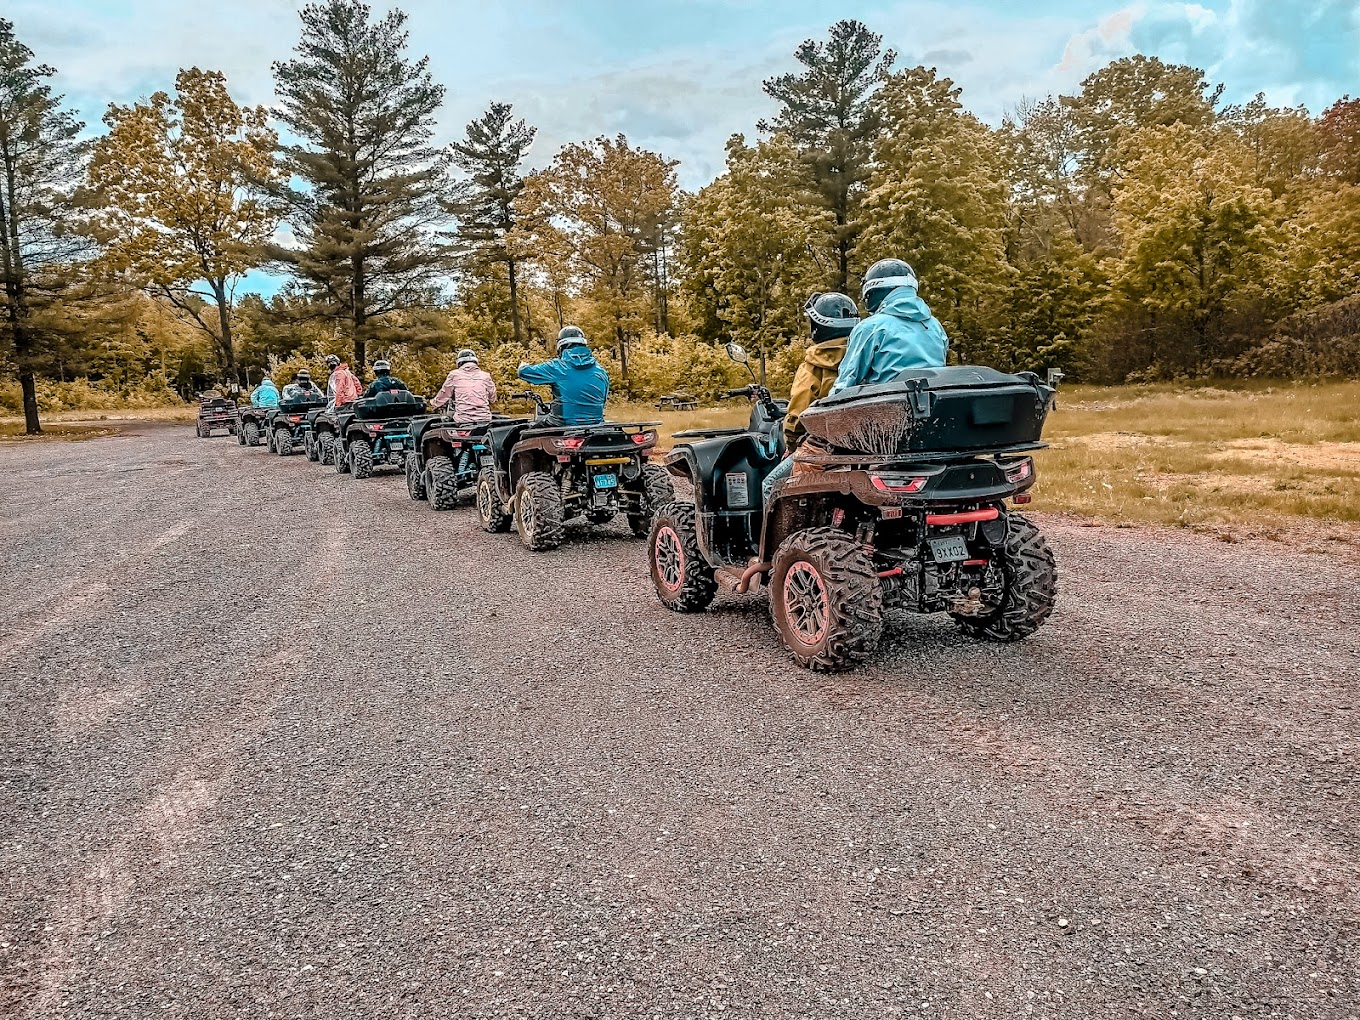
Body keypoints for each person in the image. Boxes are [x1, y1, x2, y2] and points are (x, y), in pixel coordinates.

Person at [761, 292, 860, 501]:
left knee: (770, 484)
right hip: (861, 447)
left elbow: (798, 414)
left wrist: (791, 446)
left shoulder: (813, 365)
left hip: (822, 447)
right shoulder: (862, 353)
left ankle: (772, 534)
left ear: (817, 327)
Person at [828, 258, 948, 396]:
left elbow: (846, 383)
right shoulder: (936, 326)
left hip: (884, 410)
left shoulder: (870, 328)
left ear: (873, 290)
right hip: (934, 410)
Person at [516, 326, 609, 427]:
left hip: (562, 424)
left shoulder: (557, 367)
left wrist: (523, 365)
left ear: (561, 347)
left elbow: (524, 372)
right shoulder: (601, 371)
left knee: (524, 434)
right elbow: (603, 401)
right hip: (596, 425)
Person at [432, 349, 497, 424]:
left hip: (463, 420)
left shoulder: (454, 375)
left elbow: (444, 394)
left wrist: (433, 404)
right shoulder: (485, 376)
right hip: (484, 419)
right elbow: (493, 398)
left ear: (459, 363)